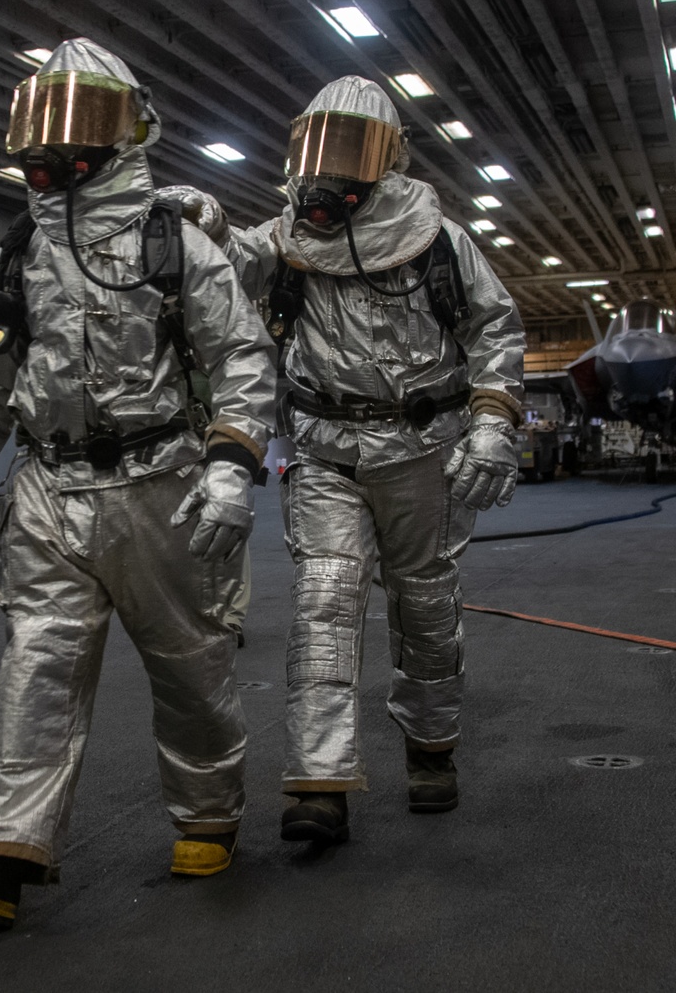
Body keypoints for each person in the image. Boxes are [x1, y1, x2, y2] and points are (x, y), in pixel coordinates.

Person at [0, 38, 275, 930]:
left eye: (79, 122)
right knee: (37, 666)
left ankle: (209, 811)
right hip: (49, 491)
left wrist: (229, 465)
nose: (52, 147)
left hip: (163, 486)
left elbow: (241, 357)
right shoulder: (18, 251)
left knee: (189, 663)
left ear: (127, 130)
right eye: (42, 122)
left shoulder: (173, 241)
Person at [162, 76, 525, 845]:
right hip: (325, 450)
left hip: (423, 450)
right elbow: (226, 269)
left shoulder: (439, 242)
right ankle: (320, 780)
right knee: (323, 602)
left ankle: (431, 750)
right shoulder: (288, 238)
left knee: (425, 604)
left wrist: (492, 421)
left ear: (387, 159)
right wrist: (205, 222)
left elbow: (495, 331)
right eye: (317, 142)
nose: (327, 166)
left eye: (350, 145)